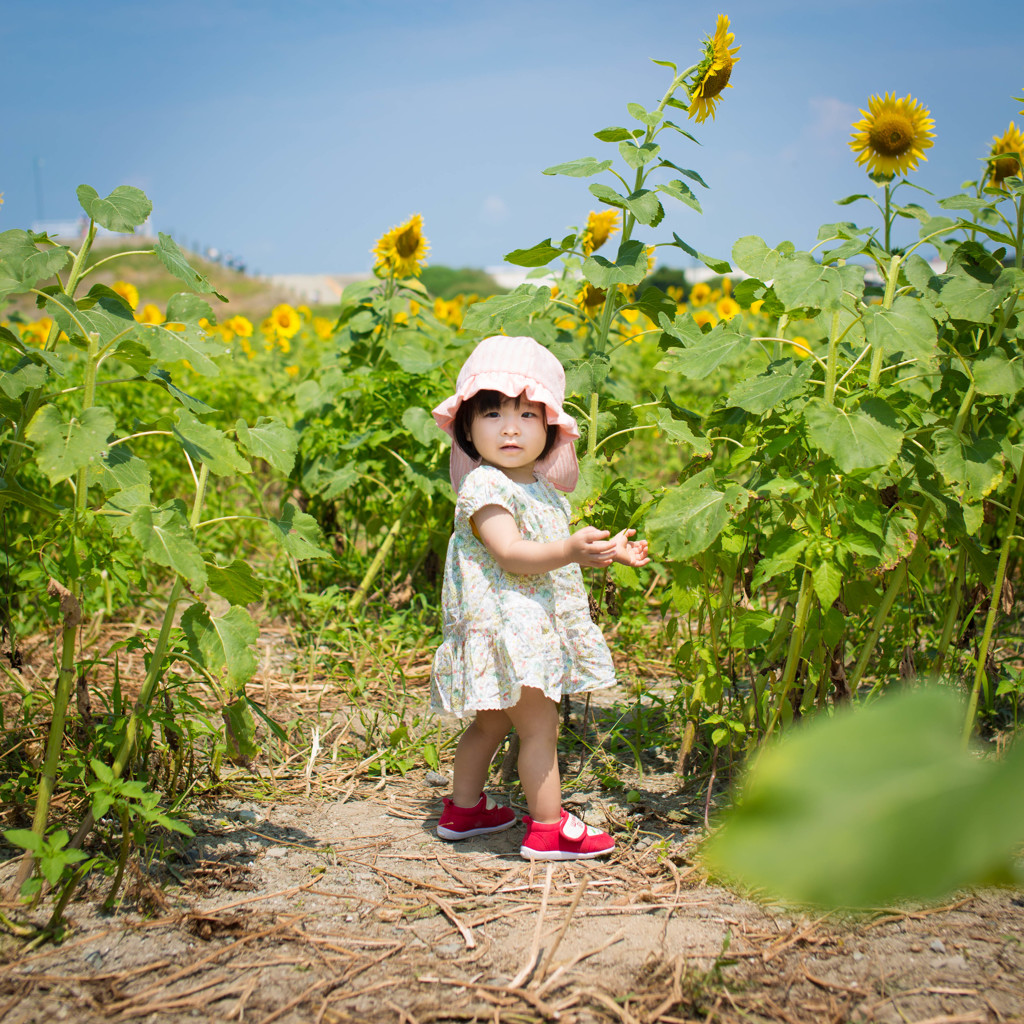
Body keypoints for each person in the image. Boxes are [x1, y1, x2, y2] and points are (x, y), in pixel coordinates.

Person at [430, 335, 649, 861]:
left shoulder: (541, 488)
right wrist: (570, 550)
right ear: (466, 427)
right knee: (540, 729)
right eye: (492, 413)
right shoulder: (485, 488)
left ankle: (464, 812)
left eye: (528, 414)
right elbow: (510, 552)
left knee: (491, 722)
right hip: (512, 629)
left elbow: (555, 547)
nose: (510, 427)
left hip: (524, 625)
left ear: (550, 429)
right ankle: (549, 829)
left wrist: (605, 550)